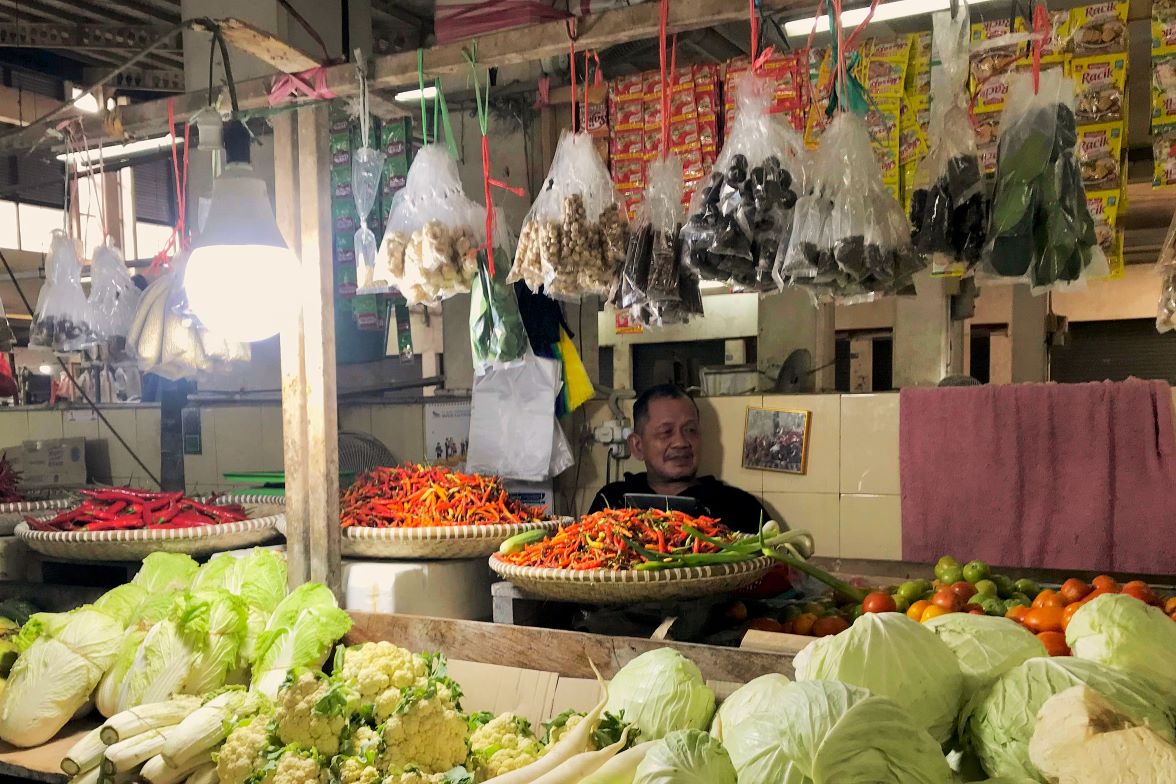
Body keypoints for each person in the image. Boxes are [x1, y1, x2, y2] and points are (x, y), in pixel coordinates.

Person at [588, 384, 774, 534]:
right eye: (666, 432)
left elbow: (778, 572)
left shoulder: (739, 507)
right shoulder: (611, 503)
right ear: (638, 446)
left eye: (690, 430)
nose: (681, 442)